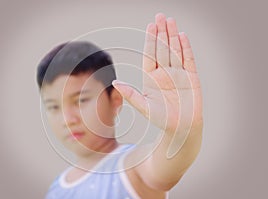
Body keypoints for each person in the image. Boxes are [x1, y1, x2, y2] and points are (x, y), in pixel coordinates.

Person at [36, 13, 203, 199]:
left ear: (115, 100)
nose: (67, 119)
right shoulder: (56, 189)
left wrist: (182, 131)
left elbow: (163, 167)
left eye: (81, 100)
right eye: (53, 107)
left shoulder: (131, 167)